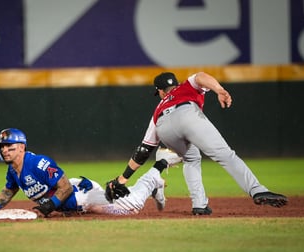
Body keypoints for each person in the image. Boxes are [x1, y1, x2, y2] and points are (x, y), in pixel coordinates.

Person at [106, 71, 287, 215]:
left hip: (163, 126)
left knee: (191, 158)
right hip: (187, 114)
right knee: (225, 155)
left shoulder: (158, 107)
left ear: (160, 91)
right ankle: (257, 190)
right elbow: (201, 76)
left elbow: (143, 150)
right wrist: (219, 90)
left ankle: (199, 204)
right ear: (175, 85)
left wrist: (121, 180)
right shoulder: (185, 86)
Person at [0, 128, 182, 218]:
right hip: (77, 200)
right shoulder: (13, 170)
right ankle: (155, 183)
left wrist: (45, 209)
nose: (4, 150)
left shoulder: (38, 163)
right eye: (2, 147)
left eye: (9, 146)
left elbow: (65, 188)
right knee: (117, 205)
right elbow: (8, 192)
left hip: (81, 195)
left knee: (132, 208)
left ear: (22, 147)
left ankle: (158, 167)